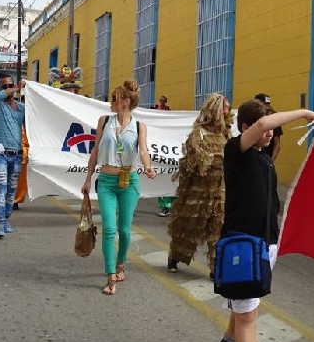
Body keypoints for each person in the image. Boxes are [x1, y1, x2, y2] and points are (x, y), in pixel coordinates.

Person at [216, 99, 314, 342]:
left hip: (266, 242)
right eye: (264, 129)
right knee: (247, 315)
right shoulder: (235, 150)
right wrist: (304, 112)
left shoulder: (264, 157)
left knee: (248, 303)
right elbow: (265, 124)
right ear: (245, 128)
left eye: (272, 131)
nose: (270, 133)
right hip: (242, 243)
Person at [81, 81, 156, 295]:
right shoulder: (104, 122)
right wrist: (88, 179)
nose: (110, 103)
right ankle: (111, 274)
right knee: (109, 229)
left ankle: (121, 263)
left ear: (125, 102)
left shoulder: (139, 125)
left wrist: (148, 168)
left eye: (114, 99)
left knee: (124, 230)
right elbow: (95, 151)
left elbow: (143, 151)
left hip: (129, 182)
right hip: (106, 181)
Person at [167, 93, 231, 275]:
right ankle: (175, 256)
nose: (227, 111)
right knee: (188, 227)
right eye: (224, 108)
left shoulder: (226, 133)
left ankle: (215, 267)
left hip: (219, 191)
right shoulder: (199, 133)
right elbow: (194, 159)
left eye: (227, 108)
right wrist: (207, 158)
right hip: (198, 191)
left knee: (217, 228)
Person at [0, 75, 26, 238]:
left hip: (16, 156)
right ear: (0, 89)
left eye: (10, 85)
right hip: (0, 155)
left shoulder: (21, 108)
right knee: (2, 189)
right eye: (4, 86)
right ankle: (1, 224)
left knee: (11, 193)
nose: (8, 88)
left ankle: (6, 219)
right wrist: (16, 88)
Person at [152, 95, 174, 216]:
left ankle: (167, 206)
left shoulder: (168, 112)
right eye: (160, 101)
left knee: (168, 178)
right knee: (161, 178)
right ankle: (165, 206)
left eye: (163, 101)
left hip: (167, 150)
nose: (161, 103)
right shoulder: (154, 111)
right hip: (158, 150)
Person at [254, 94, 283, 161]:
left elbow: (277, 145)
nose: (267, 109)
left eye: (267, 105)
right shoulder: (251, 118)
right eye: (264, 106)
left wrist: (270, 163)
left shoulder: (274, 119)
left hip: (265, 160)